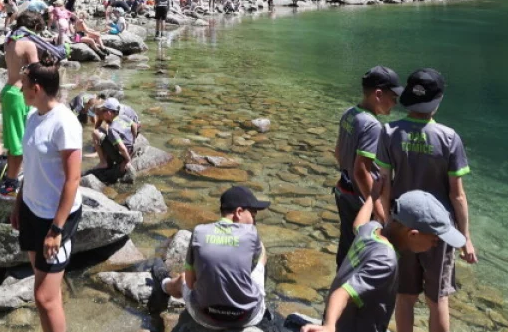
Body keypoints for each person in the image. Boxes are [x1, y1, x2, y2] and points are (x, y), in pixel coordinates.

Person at [374, 69, 476, 332]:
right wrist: (465, 237)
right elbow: (457, 195)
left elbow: (383, 184)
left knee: (405, 296)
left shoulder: (389, 132)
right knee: (437, 298)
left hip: (403, 225)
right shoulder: (449, 138)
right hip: (439, 231)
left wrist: (385, 224)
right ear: (438, 101)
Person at [300, 191, 466, 332]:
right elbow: (342, 293)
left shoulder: (371, 229)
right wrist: (329, 327)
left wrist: (373, 195)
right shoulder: (385, 260)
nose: (436, 243)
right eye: (434, 238)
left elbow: (358, 224)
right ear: (413, 235)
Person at [11, 58, 82, 332]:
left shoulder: (64, 123)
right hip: (32, 210)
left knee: (43, 297)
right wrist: (19, 203)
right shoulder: (33, 116)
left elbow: (73, 179)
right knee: (47, 292)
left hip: (55, 218)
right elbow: (31, 166)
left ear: (36, 88)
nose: (20, 90)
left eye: (24, 85)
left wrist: (56, 229)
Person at [147, 186, 270, 328]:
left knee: (183, 279)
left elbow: (191, 282)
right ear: (239, 212)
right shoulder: (252, 234)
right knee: (261, 252)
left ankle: (164, 285)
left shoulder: (200, 232)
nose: (254, 223)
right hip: (247, 318)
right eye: (253, 217)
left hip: (205, 317)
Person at [334, 66, 403, 265]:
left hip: (343, 190)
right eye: (393, 97)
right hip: (360, 199)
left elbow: (338, 152)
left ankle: (340, 285)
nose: (395, 103)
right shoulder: (372, 126)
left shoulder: (349, 113)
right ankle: (352, 292)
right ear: (378, 94)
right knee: (366, 251)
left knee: (347, 245)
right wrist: (377, 207)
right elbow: (361, 170)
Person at [0, 10, 44, 200]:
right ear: (33, 27)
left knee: (12, 141)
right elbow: (37, 72)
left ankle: (12, 178)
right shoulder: (29, 44)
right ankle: (10, 186)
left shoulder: (10, 40)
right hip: (20, 95)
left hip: (9, 91)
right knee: (20, 143)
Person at [88, 99, 135, 182]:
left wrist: (128, 161)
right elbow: (134, 125)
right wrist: (133, 141)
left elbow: (122, 148)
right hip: (130, 149)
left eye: (103, 110)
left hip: (122, 156)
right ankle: (108, 160)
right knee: (100, 132)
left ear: (109, 112)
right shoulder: (123, 117)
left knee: (96, 133)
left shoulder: (112, 129)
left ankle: (103, 163)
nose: (101, 113)